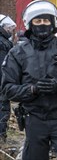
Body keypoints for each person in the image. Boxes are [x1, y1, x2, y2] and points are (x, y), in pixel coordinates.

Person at [0, 0, 57, 159]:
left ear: (53, 22)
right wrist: (32, 89)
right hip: (33, 118)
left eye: (46, 20)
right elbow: (7, 88)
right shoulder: (17, 53)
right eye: (38, 20)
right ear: (30, 23)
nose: (42, 24)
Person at [0, 14, 16, 144]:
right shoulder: (2, 43)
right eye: (8, 27)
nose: (10, 30)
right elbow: (3, 66)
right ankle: (1, 136)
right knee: (3, 108)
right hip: (1, 82)